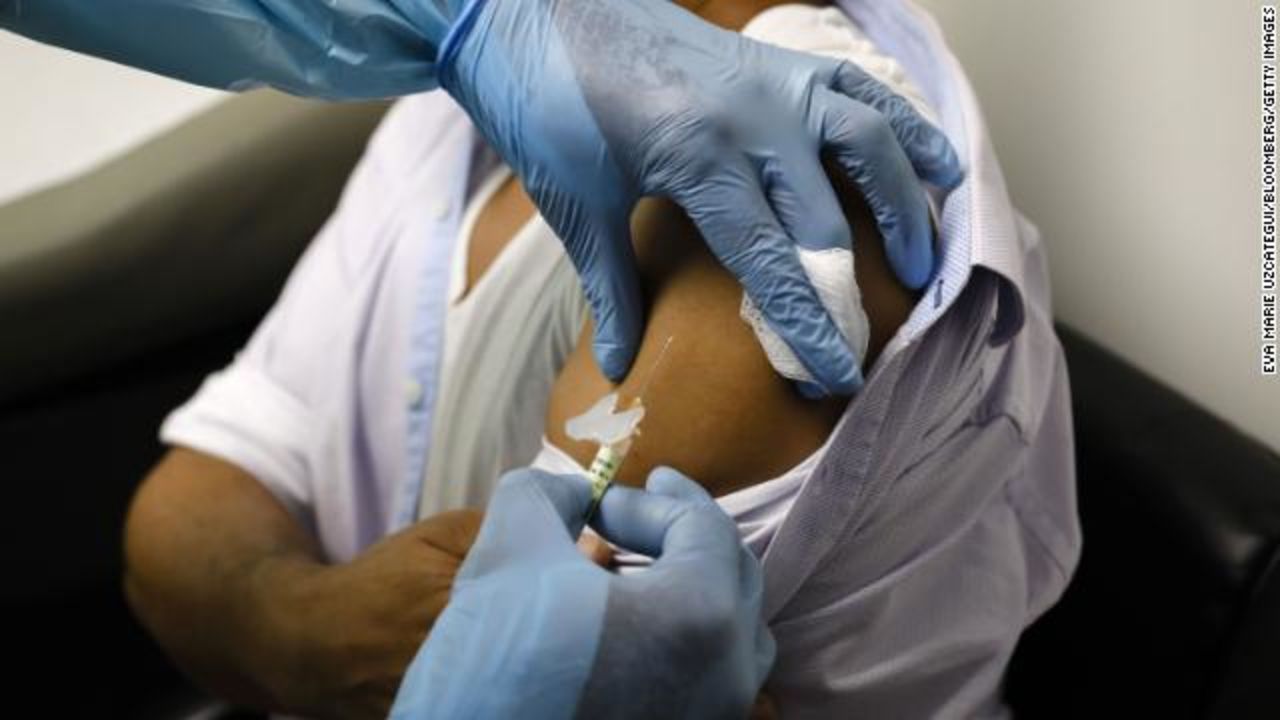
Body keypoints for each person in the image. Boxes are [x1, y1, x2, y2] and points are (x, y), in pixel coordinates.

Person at [129, 1, 1078, 718]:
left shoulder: (795, 167)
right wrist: (314, 635)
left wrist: (278, 620)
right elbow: (179, 516)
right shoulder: (481, 66)